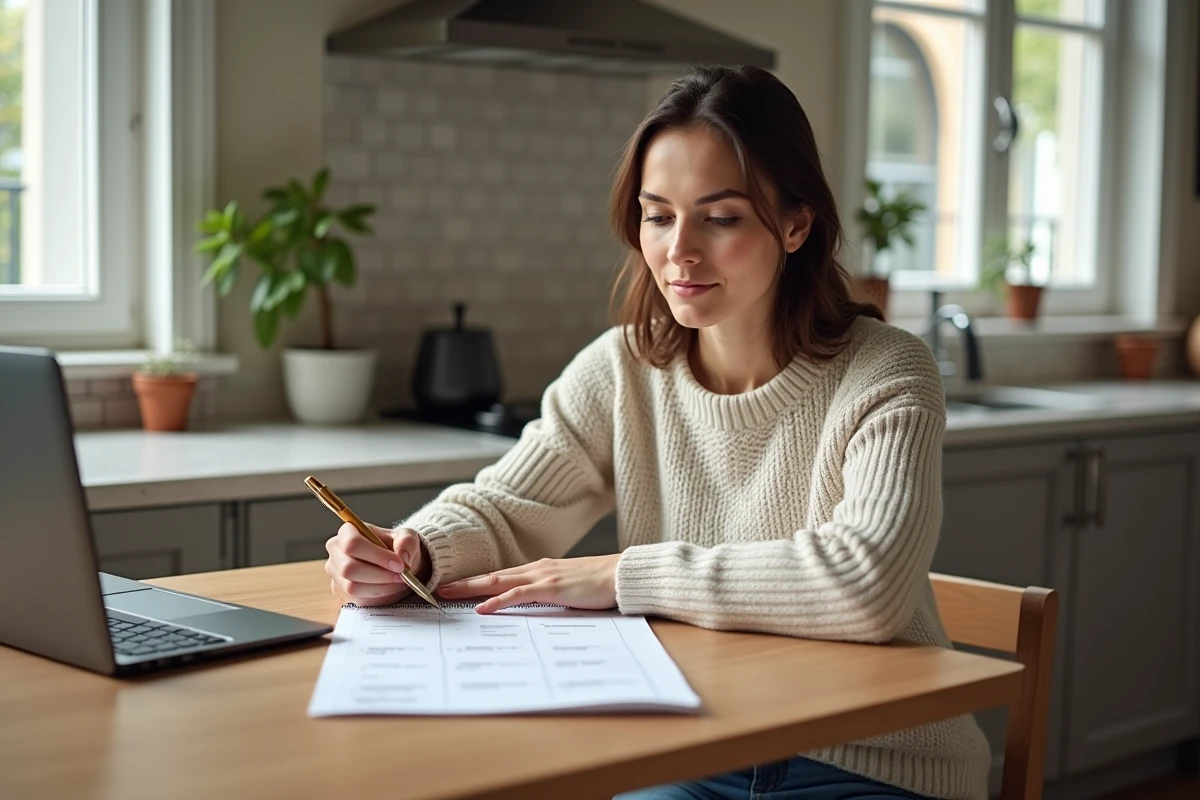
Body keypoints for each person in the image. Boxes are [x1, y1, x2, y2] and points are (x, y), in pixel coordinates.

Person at [323, 65, 991, 800]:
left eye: (722, 216)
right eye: (658, 214)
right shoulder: (622, 368)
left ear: (797, 223)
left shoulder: (887, 370)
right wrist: (413, 549)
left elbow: (868, 585)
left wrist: (620, 576)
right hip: (691, 747)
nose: (680, 251)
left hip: (875, 762)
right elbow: (508, 507)